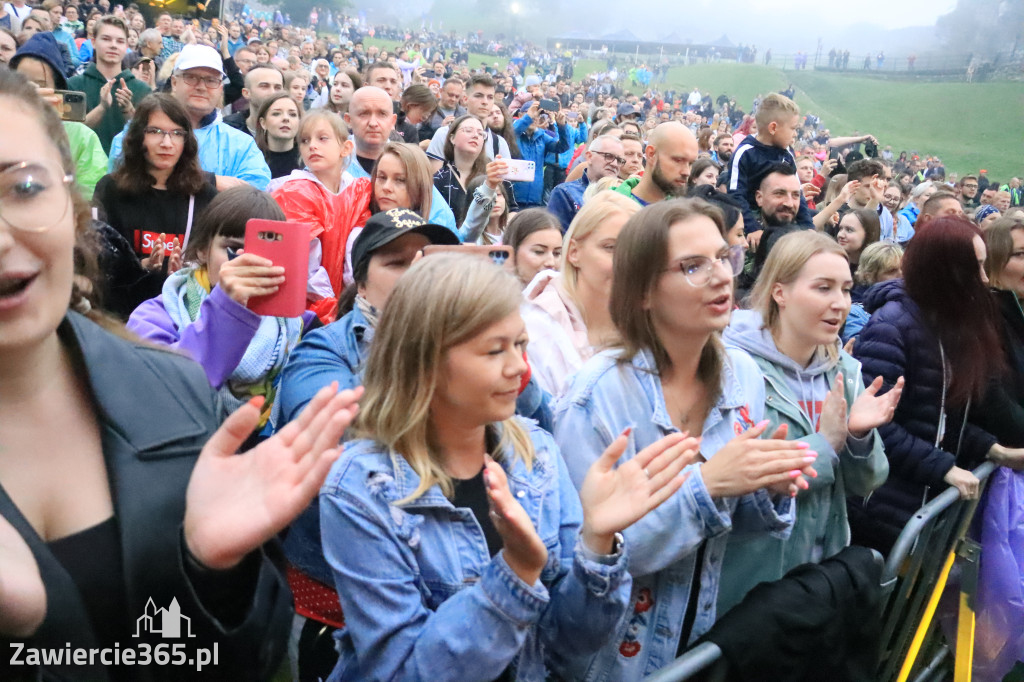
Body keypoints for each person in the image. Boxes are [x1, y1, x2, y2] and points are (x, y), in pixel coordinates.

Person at [0, 67, 357, 681]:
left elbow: (241, 659)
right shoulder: (159, 318)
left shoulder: (159, 387)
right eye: (229, 246)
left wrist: (214, 574)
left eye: (24, 188)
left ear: (72, 204)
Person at [319, 252, 697, 681]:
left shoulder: (535, 451)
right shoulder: (362, 488)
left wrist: (597, 543)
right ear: (424, 361)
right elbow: (406, 671)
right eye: (495, 350)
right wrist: (514, 574)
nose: (519, 368)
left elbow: (568, 642)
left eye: (520, 344)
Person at [553, 199, 815, 680]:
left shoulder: (743, 376)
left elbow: (730, 530)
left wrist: (767, 487)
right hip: (608, 662)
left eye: (723, 256)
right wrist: (708, 485)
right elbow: (582, 562)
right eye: (692, 266)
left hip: (697, 645)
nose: (721, 276)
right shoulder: (596, 398)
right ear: (643, 292)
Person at [717, 231, 896, 613]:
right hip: (750, 587)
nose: (840, 304)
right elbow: (741, 487)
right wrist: (826, 443)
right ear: (780, 292)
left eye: (847, 289)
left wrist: (859, 437)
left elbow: (867, 482)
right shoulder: (735, 369)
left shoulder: (844, 369)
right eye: (823, 288)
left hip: (820, 580)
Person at [850, 218, 1024, 553]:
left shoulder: (945, 325)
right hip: (885, 510)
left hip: (920, 507)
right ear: (942, 270)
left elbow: (938, 416)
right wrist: (944, 468)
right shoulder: (891, 328)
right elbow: (876, 427)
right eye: (975, 268)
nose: (984, 279)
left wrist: (992, 449)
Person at [127, 185, 315, 427]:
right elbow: (164, 392)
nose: (247, 261)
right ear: (203, 250)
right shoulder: (154, 317)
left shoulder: (300, 325)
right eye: (233, 249)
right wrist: (227, 309)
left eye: (262, 251)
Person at [522, 192, 640, 397]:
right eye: (611, 247)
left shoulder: (651, 323)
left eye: (636, 250)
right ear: (574, 252)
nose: (626, 262)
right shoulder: (533, 331)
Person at [109, 44, 273, 191]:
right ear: (174, 82)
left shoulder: (240, 145)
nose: (201, 87)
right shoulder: (136, 134)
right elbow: (123, 184)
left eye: (211, 80)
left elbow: (255, 195)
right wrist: (213, 182)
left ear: (220, 88)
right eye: (191, 77)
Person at [94, 93, 217, 269]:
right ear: (137, 137)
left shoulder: (204, 194)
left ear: (186, 140)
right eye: (155, 131)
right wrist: (140, 267)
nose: (167, 143)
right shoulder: (110, 189)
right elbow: (100, 260)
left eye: (176, 133)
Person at [271, 110, 371, 319]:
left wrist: (355, 301)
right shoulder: (295, 192)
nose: (312, 146)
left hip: (347, 303)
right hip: (306, 311)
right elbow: (306, 268)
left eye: (322, 138)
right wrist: (334, 310)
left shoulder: (358, 190)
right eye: (305, 140)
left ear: (346, 148)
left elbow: (356, 248)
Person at [9, 32, 107, 200]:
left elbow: (89, 200)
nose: (31, 91)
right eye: (22, 82)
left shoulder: (83, 138)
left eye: (40, 85)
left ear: (57, 91)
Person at [344, 86, 456, 231]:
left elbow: (444, 226)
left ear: (392, 121)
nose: (373, 123)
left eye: (382, 114)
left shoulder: (411, 164)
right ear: (348, 120)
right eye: (364, 114)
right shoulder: (330, 165)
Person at [728, 94, 812, 250]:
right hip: (752, 222)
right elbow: (735, 194)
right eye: (793, 128)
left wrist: (807, 226)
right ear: (773, 127)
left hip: (782, 221)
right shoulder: (745, 153)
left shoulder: (787, 156)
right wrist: (752, 227)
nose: (795, 134)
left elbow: (798, 194)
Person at [67, 15, 150, 154]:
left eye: (120, 41)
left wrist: (129, 110)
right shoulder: (73, 85)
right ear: (93, 42)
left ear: (126, 46)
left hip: (128, 171)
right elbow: (69, 137)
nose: (113, 45)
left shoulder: (143, 90)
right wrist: (102, 108)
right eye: (106, 39)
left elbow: (148, 138)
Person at [547, 134, 625, 232]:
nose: (614, 164)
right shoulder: (565, 193)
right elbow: (556, 238)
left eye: (619, 160)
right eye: (608, 156)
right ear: (589, 157)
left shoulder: (624, 196)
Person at [613, 121, 697, 206]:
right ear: (651, 154)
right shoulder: (609, 208)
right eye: (678, 160)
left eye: (690, 164)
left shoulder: (683, 213)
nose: (687, 172)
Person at [510, 102, 570, 209]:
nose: (535, 118)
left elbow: (563, 147)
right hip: (513, 198)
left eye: (538, 115)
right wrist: (528, 118)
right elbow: (511, 134)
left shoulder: (542, 137)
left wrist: (562, 126)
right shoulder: (513, 133)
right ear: (520, 116)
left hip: (535, 198)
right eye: (532, 113)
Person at [842, 241, 904, 343]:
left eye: (903, 268)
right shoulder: (855, 312)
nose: (901, 275)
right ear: (869, 276)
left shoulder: (910, 303)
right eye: (891, 271)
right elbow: (859, 346)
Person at [432, 114, 487, 226]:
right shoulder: (438, 179)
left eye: (481, 133)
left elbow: (511, 210)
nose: (476, 136)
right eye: (468, 130)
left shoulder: (491, 177)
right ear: (452, 138)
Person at [503, 208, 563, 287]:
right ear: (513, 251)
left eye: (556, 253)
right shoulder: (489, 296)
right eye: (539, 252)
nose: (551, 263)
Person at [222, 64, 284, 138]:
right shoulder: (227, 129)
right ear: (246, 93)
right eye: (264, 86)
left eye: (278, 87)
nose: (272, 93)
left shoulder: (295, 129)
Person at [256, 91, 303, 179]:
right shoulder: (251, 158)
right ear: (263, 123)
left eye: (292, 114)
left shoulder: (308, 160)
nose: (286, 118)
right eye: (276, 114)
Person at [836, 207, 881, 282]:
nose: (840, 235)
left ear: (869, 234)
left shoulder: (878, 273)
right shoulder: (832, 264)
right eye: (840, 229)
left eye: (849, 230)